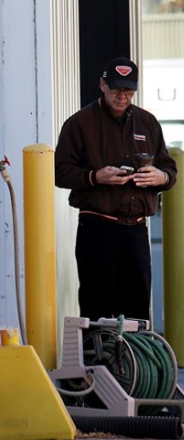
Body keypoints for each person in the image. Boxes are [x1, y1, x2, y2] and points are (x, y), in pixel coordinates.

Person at [54, 56, 177, 322]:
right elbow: (60, 172)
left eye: (128, 91)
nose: (122, 96)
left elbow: (171, 171)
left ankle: (137, 362)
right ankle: (97, 362)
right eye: (116, 89)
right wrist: (95, 176)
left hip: (136, 229)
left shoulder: (148, 122)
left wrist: (160, 177)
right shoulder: (79, 124)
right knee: (97, 304)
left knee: (138, 306)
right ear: (102, 85)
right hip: (97, 227)